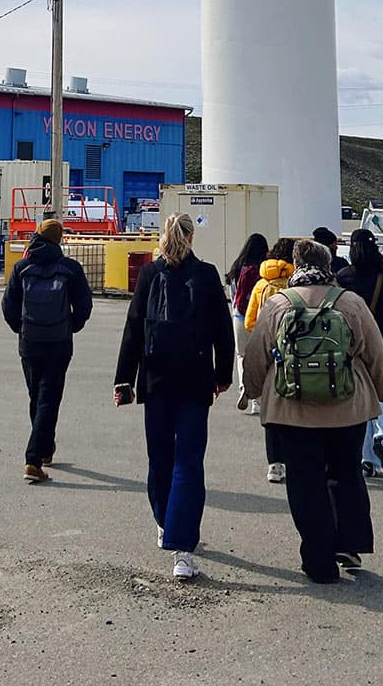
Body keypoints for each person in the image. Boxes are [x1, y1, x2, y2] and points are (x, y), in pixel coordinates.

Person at [243, 238, 383, 583]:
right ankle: (350, 542)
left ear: (297, 266)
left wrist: (252, 391)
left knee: (305, 481)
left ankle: (318, 561)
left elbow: (257, 355)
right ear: (329, 265)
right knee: (346, 473)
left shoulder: (278, 303)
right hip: (348, 409)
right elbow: (375, 354)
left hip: (291, 410)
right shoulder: (351, 303)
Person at [113, 212, 235, 580]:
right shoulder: (207, 274)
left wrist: (124, 380)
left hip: (156, 380)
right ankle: (183, 549)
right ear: (192, 237)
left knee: (160, 458)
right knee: (189, 461)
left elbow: (134, 326)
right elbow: (222, 328)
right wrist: (223, 375)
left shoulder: (151, 274)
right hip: (196, 381)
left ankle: (164, 521)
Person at [1, 215, 93, 484]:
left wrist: (21, 328)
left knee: (36, 396)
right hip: (59, 342)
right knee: (49, 398)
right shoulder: (70, 268)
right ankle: (33, 458)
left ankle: (45, 449)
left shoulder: (22, 268)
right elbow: (84, 306)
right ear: (60, 239)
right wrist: (70, 326)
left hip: (29, 341)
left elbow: (8, 306)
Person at [337, 229, 383, 476]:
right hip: (382, 345)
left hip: (351, 349)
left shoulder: (343, 277)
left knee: (359, 403)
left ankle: (367, 460)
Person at [245, 237, 296, 474]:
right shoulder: (295, 284)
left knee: (271, 408)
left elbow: (249, 322)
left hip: (268, 352)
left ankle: (274, 464)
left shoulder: (261, 284)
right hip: (294, 353)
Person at [225, 232, 270, 412]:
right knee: (260, 358)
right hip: (259, 317)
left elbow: (233, 295)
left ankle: (244, 387)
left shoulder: (237, 268)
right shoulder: (263, 270)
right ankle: (257, 400)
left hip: (239, 317)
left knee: (242, 355)